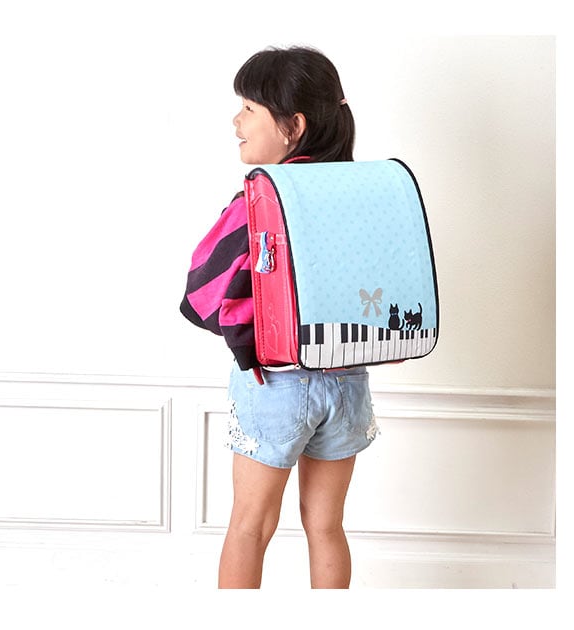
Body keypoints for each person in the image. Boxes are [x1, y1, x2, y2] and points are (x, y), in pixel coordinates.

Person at [180, 46, 379, 589]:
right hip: (348, 380)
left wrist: (238, 331)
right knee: (327, 526)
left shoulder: (263, 197)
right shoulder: (363, 193)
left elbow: (203, 287)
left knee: (250, 527)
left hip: (275, 382)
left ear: (293, 126)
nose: (236, 121)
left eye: (249, 108)